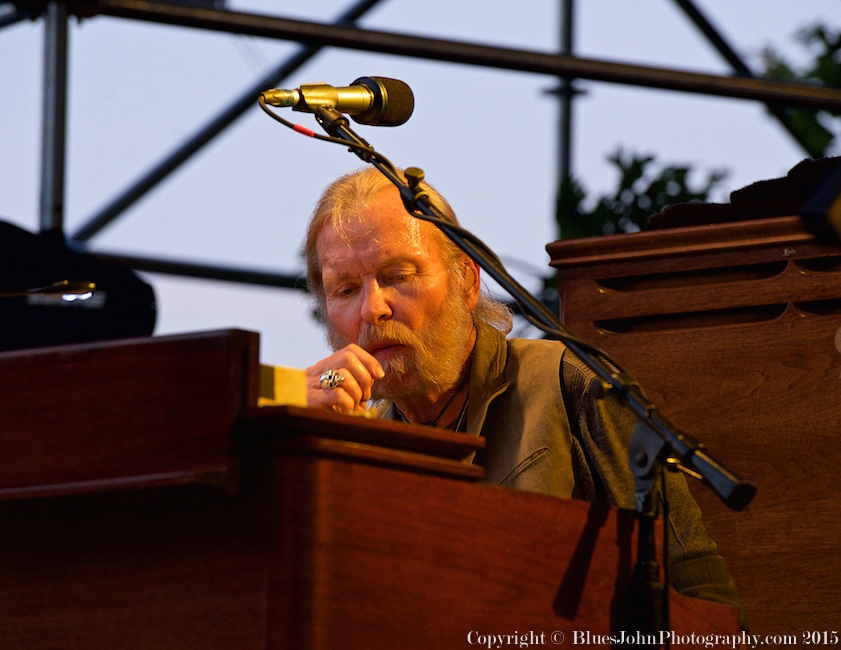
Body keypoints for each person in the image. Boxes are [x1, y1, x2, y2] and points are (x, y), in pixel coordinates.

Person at [303, 165, 743, 617]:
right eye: (346, 289)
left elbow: (700, 594)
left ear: (467, 282)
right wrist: (300, 439)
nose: (371, 308)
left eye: (398, 275)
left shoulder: (568, 380)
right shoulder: (359, 447)